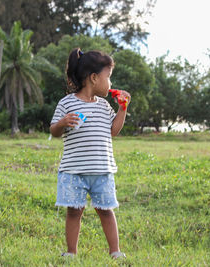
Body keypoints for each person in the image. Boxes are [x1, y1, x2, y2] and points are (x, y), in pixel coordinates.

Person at [50, 48, 130, 259]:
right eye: (108, 78)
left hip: (102, 171)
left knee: (106, 210)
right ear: (94, 78)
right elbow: (54, 131)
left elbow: (113, 131)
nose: (110, 84)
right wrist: (61, 123)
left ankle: (115, 251)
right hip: (73, 171)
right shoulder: (66, 103)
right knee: (74, 211)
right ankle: (71, 252)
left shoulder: (104, 106)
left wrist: (122, 109)